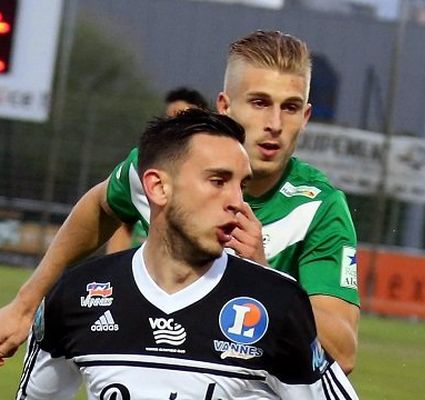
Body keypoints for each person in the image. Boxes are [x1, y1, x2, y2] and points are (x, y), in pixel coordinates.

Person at [0, 30, 360, 373]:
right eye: (259, 102)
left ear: (306, 117)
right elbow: (99, 204)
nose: (275, 123)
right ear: (224, 106)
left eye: (291, 107)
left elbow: (342, 354)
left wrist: (263, 277)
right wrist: (24, 305)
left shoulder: (318, 209)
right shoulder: (168, 167)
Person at [15, 109, 359, 399]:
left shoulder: (278, 304)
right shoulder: (74, 296)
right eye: (218, 181)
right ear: (158, 187)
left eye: (241, 185)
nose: (237, 202)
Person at [105, 86, 210, 254]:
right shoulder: (141, 168)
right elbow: (121, 224)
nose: (176, 122)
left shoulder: (208, 182)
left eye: (184, 116)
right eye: (171, 116)